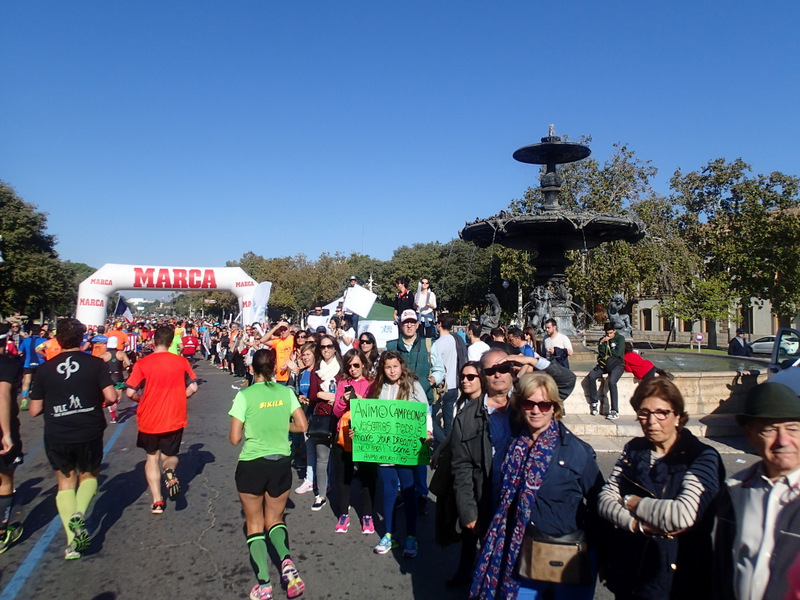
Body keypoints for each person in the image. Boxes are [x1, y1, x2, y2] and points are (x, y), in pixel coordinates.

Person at [471, 372, 604, 600]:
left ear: (554, 407)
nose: (535, 410)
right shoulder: (514, 446)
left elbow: (599, 501)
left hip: (566, 552)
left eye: (543, 405)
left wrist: (606, 556)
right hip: (520, 550)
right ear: (520, 405)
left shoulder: (575, 450)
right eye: (529, 403)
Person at [597, 377, 723, 600]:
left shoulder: (702, 457)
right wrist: (636, 524)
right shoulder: (634, 450)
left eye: (661, 413)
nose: (652, 422)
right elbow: (605, 500)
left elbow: (682, 515)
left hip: (679, 581)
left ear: (677, 416)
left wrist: (630, 502)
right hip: (630, 576)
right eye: (644, 413)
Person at [28, 318, 117, 559]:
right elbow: (111, 397)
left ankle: (71, 544)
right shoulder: (95, 364)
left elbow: (34, 410)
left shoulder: (45, 369)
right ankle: (79, 513)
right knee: (89, 476)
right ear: (83, 339)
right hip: (89, 428)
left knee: (65, 482)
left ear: (57, 340)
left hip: (58, 431)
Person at [229, 348, 308, 600]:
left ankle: (264, 584)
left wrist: (256, 424)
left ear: (251, 369)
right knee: (275, 518)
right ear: (275, 369)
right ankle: (286, 561)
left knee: (254, 524)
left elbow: (234, 438)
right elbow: (302, 425)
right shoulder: (286, 393)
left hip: (252, 463)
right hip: (280, 463)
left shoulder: (244, 395)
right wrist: (279, 423)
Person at [714, 381, 800, 600]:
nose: (783, 441)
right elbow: (723, 567)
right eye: (769, 429)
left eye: (792, 428)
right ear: (750, 435)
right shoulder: (735, 491)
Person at [451, 349, 516, 578]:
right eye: (491, 371)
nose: (498, 374)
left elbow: (565, 383)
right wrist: (468, 512)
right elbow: (461, 469)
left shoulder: (528, 406)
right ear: (484, 376)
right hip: (487, 498)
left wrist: (530, 360)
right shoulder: (466, 417)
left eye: (504, 368)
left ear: (512, 371)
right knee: (491, 568)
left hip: (521, 502)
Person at [125, 325, 199, 514]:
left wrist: (141, 399)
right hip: (174, 415)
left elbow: (130, 391)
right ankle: (170, 471)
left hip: (149, 418)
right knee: (169, 457)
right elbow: (193, 387)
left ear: (153, 341)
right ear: (170, 342)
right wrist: (181, 396)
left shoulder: (142, 364)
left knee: (151, 457)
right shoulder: (181, 362)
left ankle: (157, 501)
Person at [371, 350, 433, 558]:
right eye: (387, 367)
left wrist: (429, 431)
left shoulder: (413, 386)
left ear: (401, 366)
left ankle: (411, 536)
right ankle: (390, 534)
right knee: (388, 492)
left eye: (395, 366)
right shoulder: (378, 387)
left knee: (408, 491)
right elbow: (370, 416)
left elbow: (425, 411)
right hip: (384, 450)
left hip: (406, 449)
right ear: (383, 368)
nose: (392, 370)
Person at [432, 360, 487, 588]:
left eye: (471, 377)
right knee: (466, 531)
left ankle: (478, 576)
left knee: (473, 529)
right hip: (457, 472)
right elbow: (455, 432)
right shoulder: (464, 404)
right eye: (462, 376)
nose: (465, 380)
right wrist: (441, 450)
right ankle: (466, 573)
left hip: (473, 478)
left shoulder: (485, 408)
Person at [330, 348, 377, 534]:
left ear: (363, 365)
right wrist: (343, 399)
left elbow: (374, 410)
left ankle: (367, 515)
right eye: (349, 366)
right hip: (343, 435)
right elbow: (336, 411)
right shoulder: (343, 382)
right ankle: (343, 513)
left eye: (356, 365)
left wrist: (360, 401)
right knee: (343, 476)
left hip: (364, 436)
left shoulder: (371, 383)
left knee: (368, 476)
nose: (353, 369)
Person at [305, 334, 342, 512]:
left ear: (335, 348)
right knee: (322, 458)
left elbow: (347, 391)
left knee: (341, 458)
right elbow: (312, 395)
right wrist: (321, 395)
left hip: (341, 416)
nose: (326, 349)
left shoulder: (342, 368)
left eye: (329, 346)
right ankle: (321, 494)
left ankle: (343, 496)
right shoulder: (315, 371)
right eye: (322, 347)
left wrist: (336, 398)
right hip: (321, 416)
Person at [0, 322, 24, 553]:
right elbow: (3, 394)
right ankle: (1, 532)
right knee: (5, 481)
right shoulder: (8, 363)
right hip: (3, 429)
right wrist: (6, 433)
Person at [587, 323, 626, 419]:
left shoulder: (620, 339)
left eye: (611, 333)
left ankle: (614, 410)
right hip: (605, 364)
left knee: (612, 382)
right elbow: (601, 353)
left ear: (614, 331)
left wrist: (609, 350)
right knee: (592, 376)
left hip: (617, 365)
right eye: (607, 333)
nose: (609, 335)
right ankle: (594, 402)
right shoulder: (603, 340)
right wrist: (601, 344)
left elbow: (618, 353)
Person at [100, 336, 131, 423]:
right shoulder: (121, 354)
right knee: (118, 397)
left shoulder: (104, 355)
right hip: (119, 376)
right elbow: (128, 363)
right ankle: (114, 409)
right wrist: (123, 367)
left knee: (110, 397)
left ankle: (113, 417)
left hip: (108, 377)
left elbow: (98, 365)